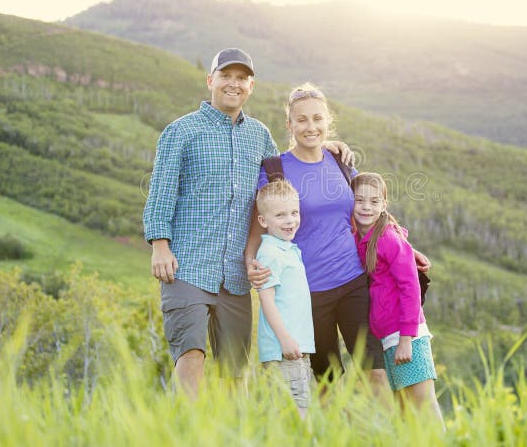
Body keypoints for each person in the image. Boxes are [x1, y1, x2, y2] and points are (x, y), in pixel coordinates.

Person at [143, 50, 351, 396]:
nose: (233, 84)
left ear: (250, 87)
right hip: (187, 264)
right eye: (226, 76)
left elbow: (284, 169)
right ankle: (189, 433)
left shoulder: (259, 135)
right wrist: (159, 246)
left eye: (241, 78)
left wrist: (321, 145)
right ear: (211, 80)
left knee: (235, 372)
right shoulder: (181, 132)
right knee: (191, 354)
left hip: (237, 276)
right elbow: (161, 193)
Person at [246, 83, 432, 392]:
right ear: (289, 125)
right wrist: (250, 260)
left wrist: (404, 246)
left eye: (317, 119)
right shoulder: (275, 170)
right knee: (327, 381)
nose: (310, 126)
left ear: (327, 122)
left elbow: (369, 211)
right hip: (309, 292)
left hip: (353, 284)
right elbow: (258, 225)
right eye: (302, 119)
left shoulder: (341, 162)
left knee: (375, 372)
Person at [351, 172, 444, 426]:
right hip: (387, 338)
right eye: (359, 201)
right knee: (404, 407)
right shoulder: (360, 238)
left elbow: (410, 287)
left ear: (383, 205)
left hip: (407, 336)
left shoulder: (388, 238)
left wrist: (406, 339)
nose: (366, 207)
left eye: (373, 201)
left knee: (423, 402)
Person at [254, 179, 315, 418]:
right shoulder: (270, 253)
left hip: (296, 347)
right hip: (284, 349)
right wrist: (285, 339)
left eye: (294, 213)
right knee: (294, 417)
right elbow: (266, 301)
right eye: (280, 215)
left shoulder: (289, 249)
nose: (290, 220)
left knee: (299, 413)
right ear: (263, 221)